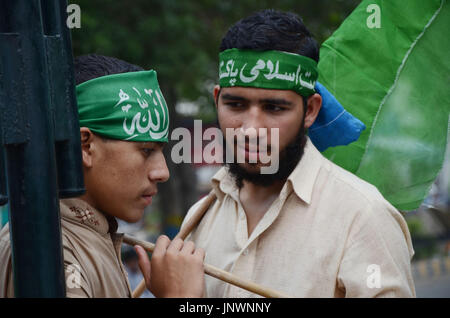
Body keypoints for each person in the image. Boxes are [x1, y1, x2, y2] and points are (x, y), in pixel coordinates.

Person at [180, 9, 416, 297]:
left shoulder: (363, 217)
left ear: (311, 110)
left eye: (274, 108)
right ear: (217, 100)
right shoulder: (201, 218)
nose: (252, 130)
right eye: (236, 105)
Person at [0, 54, 205, 298]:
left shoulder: (88, 234)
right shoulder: (49, 250)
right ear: (85, 147)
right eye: (147, 150)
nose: (162, 172)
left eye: (161, 151)